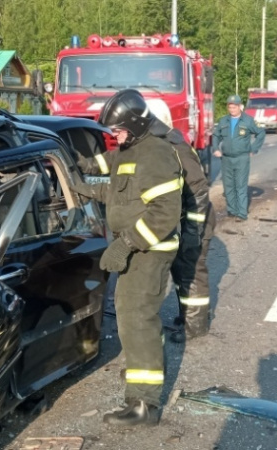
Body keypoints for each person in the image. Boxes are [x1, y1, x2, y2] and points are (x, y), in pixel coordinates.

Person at [69, 89, 182, 427]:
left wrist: (126, 244)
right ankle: (141, 372)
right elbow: (117, 190)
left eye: (116, 130)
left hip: (149, 250)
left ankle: (145, 405)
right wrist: (85, 185)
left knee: (137, 319)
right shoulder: (128, 150)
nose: (113, 137)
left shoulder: (157, 155)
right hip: (135, 247)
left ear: (133, 124)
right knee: (134, 318)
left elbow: (165, 213)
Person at [80, 117, 215, 343]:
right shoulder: (143, 146)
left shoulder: (173, 148)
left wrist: (194, 232)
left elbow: (198, 192)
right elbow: (112, 162)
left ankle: (194, 326)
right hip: (176, 220)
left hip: (193, 221)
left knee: (190, 273)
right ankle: (187, 318)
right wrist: (84, 164)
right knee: (180, 272)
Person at [211, 94, 265, 222]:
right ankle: (232, 210)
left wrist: (253, 149)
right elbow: (215, 135)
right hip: (226, 159)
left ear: (240, 107)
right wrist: (216, 149)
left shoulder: (248, 120)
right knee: (228, 185)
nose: (232, 109)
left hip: (242, 158)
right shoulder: (224, 121)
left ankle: (241, 213)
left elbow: (260, 133)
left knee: (240, 185)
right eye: (230, 107)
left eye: (234, 107)